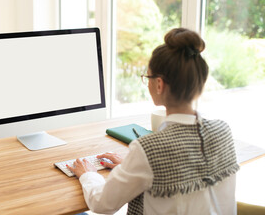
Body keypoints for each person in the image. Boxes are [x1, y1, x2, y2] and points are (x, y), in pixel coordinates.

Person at [67, 28, 239, 215]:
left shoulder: (149, 149)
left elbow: (102, 204)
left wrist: (88, 174)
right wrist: (132, 168)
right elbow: (188, 167)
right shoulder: (223, 131)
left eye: (147, 77)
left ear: (159, 84)